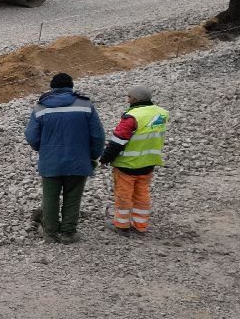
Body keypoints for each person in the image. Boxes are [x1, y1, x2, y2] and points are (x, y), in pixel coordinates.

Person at [24, 72, 105, 244]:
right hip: (78, 160)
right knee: (73, 196)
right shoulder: (85, 105)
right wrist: (92, 155)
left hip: (50, 160)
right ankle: (68, 233)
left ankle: (50, 233)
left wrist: (42, 148)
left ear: (52, 87)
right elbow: (98, 135)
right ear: (71, 86)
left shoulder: (41, 107)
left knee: (50, 197)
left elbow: (31, 135)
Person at [101, 84, 171, 235]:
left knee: (124, 195)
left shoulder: (132, 117)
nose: (127, 100)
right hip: (148, 163)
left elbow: (118, 141)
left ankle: (122, 226)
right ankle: (140, 226)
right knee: (142, 194)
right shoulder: (161, 114)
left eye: (129, 97)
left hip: (127, 165)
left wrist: (105, 158)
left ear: (135, 99)